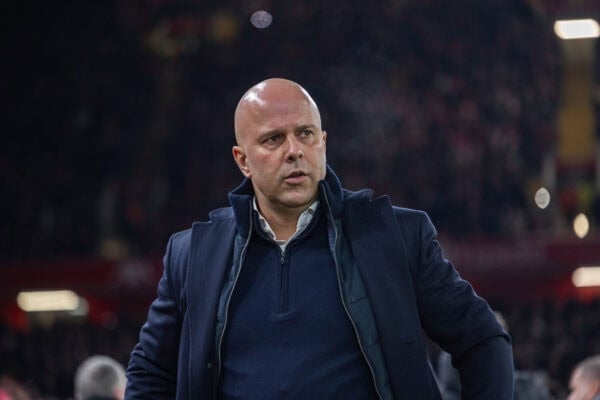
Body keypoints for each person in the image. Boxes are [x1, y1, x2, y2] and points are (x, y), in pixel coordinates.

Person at [125, 78, 514, 399]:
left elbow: (482, 339)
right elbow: (150, 371)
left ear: (323, 143)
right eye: (273, 139)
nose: (294, 151)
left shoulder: (394, 237)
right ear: (242, 160)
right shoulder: (192, 254)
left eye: (305, 134)